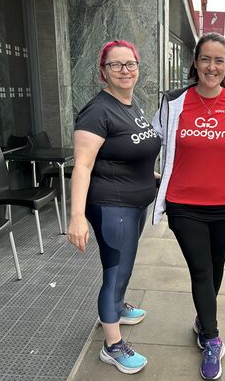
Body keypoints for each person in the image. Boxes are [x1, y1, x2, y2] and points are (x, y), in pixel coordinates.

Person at [151, 32, 225, 380]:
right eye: (206, 59)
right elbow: (154, 139)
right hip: (184, 204)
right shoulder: (174, 101)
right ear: (195, 63)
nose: (212, 67)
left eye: (219, 60)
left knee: (215, 268)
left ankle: (201, 319)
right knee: (201, 270)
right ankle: (212, 338)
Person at [68, 40, 161, 374]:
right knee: (115, 270)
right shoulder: (97, 111)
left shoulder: (131, 104)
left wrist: (150, 174)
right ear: (102, 72)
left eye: (130, 64)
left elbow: (128, 149)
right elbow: (82, 166)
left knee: (125, 264)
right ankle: (112, 345)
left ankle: (118, 307)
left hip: (134, 203)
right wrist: (76, 217)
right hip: (111, 205)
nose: (125, 71)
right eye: (116, 65)